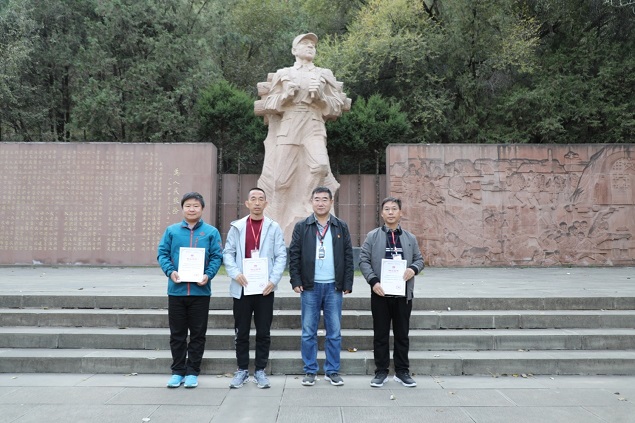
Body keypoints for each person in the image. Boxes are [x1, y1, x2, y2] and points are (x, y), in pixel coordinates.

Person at [256, 33, 351, 242]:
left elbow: (336, 106)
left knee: (320, 166)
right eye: (305, 44)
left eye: (312, 45)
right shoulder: (284, 73)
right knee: (281, 179)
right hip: (290, 124)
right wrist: (285, 96)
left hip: (313, 123)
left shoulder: (323, 74)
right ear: (294, 50)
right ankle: (276, 224)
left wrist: (321, 97)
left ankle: (308, 205)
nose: (310, 47)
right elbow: (270, 103)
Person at [289, 186, 354, 386]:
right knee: (308, 331)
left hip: (334, 286)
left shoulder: (340, 226)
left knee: (334, 332)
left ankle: (332, 370)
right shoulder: (302, 226)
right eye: (317, 199)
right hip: (310, 286)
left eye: (325, 199)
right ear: (312, 202)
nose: (320, 203)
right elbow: (294, 255)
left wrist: (347, 282)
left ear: (331, 202)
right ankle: (310, 370)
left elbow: (348, 255)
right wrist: (295, 280)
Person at [157, 192, 223, 389]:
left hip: (200, 293)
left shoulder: (211, 232)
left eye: (196, 206)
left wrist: (208, 275)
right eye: (188, 206)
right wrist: (170, 271)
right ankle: (177, 371)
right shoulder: (172, 231)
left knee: (197, 334)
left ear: (202, 209)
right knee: (177, 334)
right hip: (176, 291)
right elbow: (162, 254)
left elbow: (216, 256)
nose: (192, 209)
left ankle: (193, 371)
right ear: (182, 208)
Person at [223, 188, 287, 389]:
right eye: (253, 199)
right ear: (247, 203)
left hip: (264, 288)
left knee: (263, 332)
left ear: (266, 204)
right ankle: (242, 369)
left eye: (261, 199)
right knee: (241, 331)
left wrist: (273, 280)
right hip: (242, 286)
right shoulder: (237, 227)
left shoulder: (273, 227)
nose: (257, 203)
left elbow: (281, 255)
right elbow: (228, 253)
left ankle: (260, 370)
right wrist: (235, 273)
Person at [359, 197, 424, 388]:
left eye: (394, 209)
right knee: (380, 334)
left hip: (403, 294)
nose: (390, 212)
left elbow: (420, 260)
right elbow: (363, 260)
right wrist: (373, 281)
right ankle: (381, 371)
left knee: (402, 334)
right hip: (380, 293)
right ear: (381, 214)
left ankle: (402, 371)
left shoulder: (410, 238)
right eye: (386, 209)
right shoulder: (373, 236)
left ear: (400, 213)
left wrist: (413, 269)